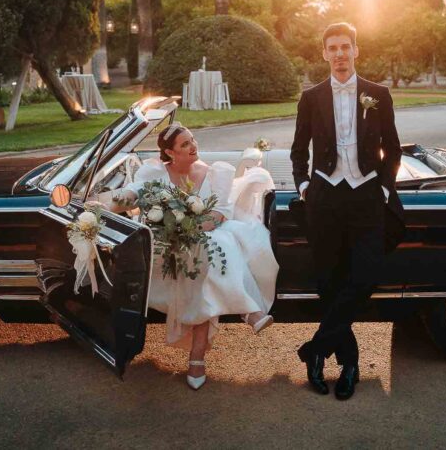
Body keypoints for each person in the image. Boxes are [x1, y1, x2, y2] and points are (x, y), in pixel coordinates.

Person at [290, 21, 405, 401]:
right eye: (332, 48)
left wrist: (385, 187)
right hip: (324, 198)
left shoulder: (378, 94)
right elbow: (297, 150)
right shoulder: (311, 97)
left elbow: (394, 147)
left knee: (366, 274)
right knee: (330, 281)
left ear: (356, 50)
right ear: (324, 53)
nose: (339, 53)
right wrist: (304, 186)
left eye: (346, 46)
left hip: (366, 195)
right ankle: (348, 365)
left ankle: (315, 349)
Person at [121, 123, 278, 390]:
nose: (193, 146)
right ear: (170, 152)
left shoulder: (215, 172)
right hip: (171, 244)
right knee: (202, 257)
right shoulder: (155, 173)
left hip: (208, 234)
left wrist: (203, 224)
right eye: (185, 144)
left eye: (192, 140)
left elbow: (222, 211)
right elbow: (135, 192)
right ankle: (248, 311)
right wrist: (112, 201)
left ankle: (198, 356)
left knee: (215, 244)